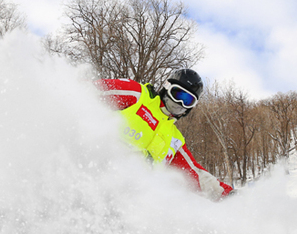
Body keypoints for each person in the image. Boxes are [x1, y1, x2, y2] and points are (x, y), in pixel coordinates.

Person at [97, 69, 234, 200]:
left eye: (187, 101)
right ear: (167, 87)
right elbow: (88, 90)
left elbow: (198, 176)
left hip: (129, 198)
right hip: (96, 170)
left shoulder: (175, 140)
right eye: (178, 94)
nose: (180, 103)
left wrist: (231, 197)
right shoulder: (138, 95)